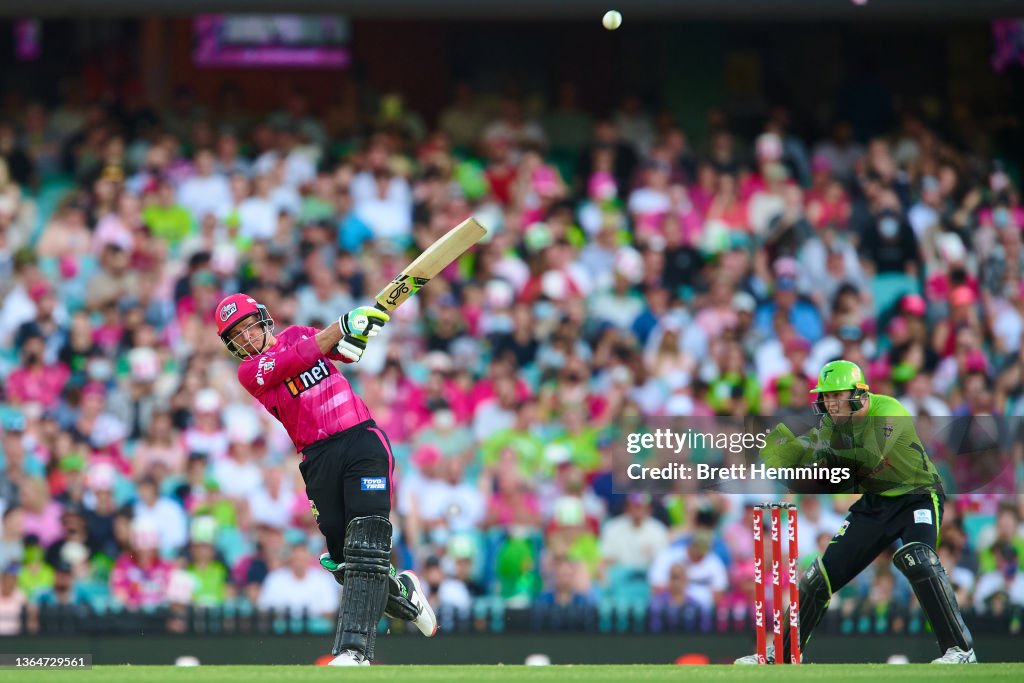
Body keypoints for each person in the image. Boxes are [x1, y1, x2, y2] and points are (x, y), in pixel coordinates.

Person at [214, 292, 436, 667]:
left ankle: (354, 652)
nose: (248, 339)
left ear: (264, 319)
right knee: (345, 561)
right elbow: (298, 357)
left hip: (361, 439)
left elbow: (345, 353)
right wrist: (341, 326)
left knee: (367, 540)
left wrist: (358, 333)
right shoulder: (250, 373)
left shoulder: (300, 333)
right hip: (317, 458)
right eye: (237, 336)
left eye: (250, 326)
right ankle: (402, 593)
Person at [737, 359, 976, 664]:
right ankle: (783, 655)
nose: (830, 403)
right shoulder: (831, 424)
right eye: (826, 396)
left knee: (920, 560)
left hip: (917, 496)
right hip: (875, 504)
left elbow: (867, 460)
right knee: (817, 577)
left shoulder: (889, 411)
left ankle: (961, 650)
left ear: (858, 393)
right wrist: (778, 453)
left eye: (837, 395)